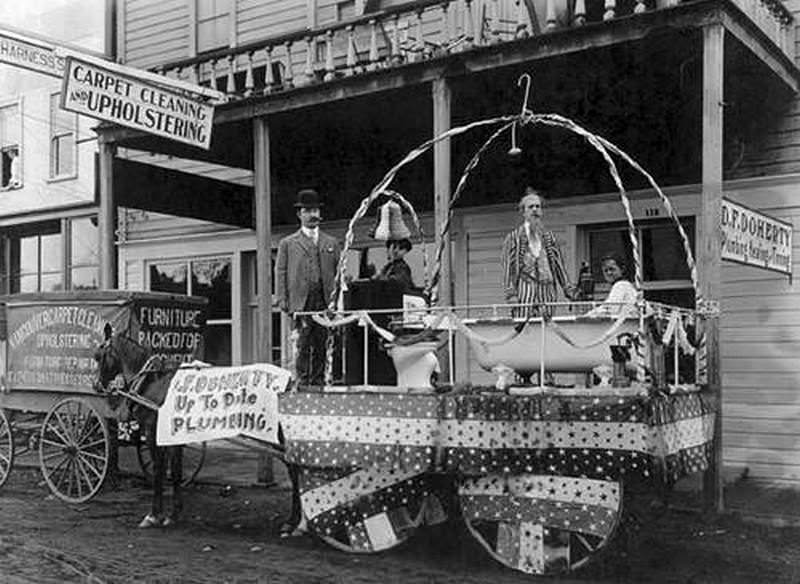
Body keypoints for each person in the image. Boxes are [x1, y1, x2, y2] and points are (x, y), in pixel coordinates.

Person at [276, 188, 341, 386]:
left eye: (315, 211)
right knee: (302, 345)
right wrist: (283, 300)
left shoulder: (331, 242)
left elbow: (339, 275)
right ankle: (302, 384)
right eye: (308, 211)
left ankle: (319, 383)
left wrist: (337, 302)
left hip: (324, 302)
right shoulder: (288, 243)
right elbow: (281, 273)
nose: (313, 215)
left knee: (322, 344)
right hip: (300, 302)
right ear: (300, 214)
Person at [502, 187, 576, 317]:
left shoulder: (549, 237)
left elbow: (558, 266)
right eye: (530, 207)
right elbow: (509, 267)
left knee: (547, 330)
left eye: (538, 207)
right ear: (523, 212)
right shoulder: (514, 237)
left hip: (547, 290)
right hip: (525, 290)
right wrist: (511, 293)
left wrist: (567, 288)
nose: (535, 210)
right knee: (525, 330)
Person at [586, 253, 638, 317]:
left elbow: (610, 309)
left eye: (612, 269)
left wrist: (588, 316)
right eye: (605, 270)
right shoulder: (624, 285)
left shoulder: (621, 285)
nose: (609, 273)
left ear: (622, 269)